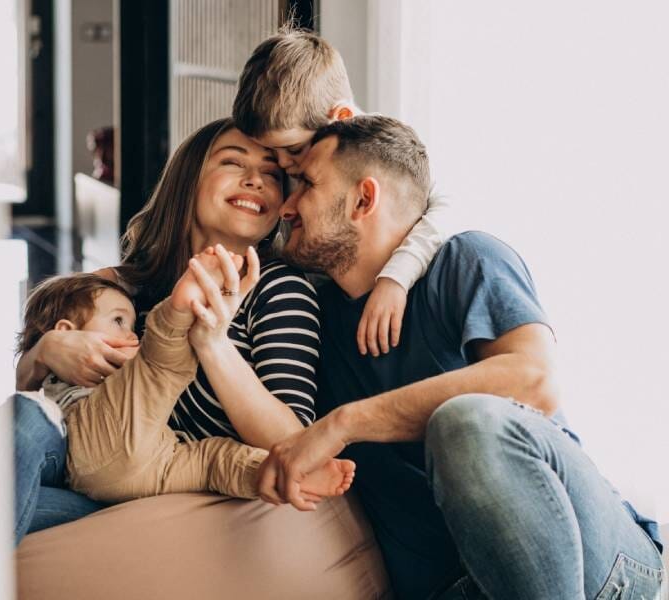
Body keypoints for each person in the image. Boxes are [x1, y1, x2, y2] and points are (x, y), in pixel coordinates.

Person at [256, 115, 665, 599]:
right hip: (459, 589)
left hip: (600, 562)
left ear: (364, 199)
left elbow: (533, 379)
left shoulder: (465, 260)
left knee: (465, 420)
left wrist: (344, 423)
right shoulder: (310, 320)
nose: (286, 205)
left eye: (305, 184)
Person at [13, 118, 324, 542]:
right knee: (9, 451)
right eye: (234, 163)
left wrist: (213, 344)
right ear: (188, 179)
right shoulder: (123, 286)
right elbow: (34, 397)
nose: (255, 181)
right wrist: (45, 351)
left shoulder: (278, 288)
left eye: (271, 174)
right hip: (88, 480)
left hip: (180, 495)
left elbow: (292, 441)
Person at [12, 262, 353, 545]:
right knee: (161, 367)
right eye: (119, 322)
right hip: (92, 472)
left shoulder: (280, 287)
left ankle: (278, 474)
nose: (132, 335)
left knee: (212, 459)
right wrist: (47, 349)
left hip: (152, 461)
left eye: (133, 325)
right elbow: (27, 391)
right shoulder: (129, 282)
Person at [232, 26, 451, 358]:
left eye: (291, 148)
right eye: (271, 153)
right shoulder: (291, 157)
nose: (283, 165)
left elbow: (445, 208)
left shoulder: (387, 152)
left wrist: (395, 278)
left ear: (342, 118)